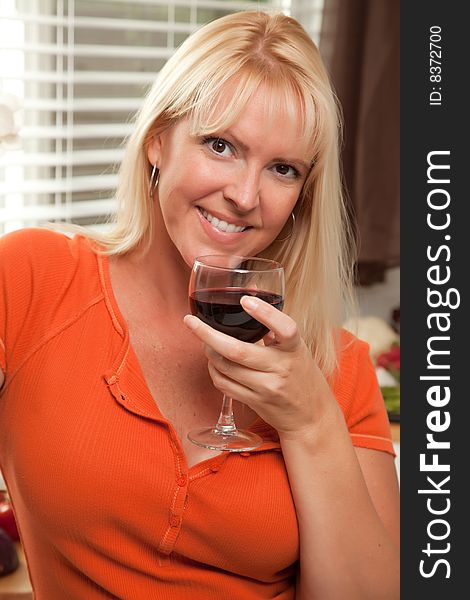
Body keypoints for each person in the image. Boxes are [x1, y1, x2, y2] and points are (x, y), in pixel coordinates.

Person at [0, 10, 399, 599]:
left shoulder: (338, 369)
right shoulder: (35, 279)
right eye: (221, 146)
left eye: (282, 169)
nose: (244, 196)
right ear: (158, 139)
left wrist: (311, 422)